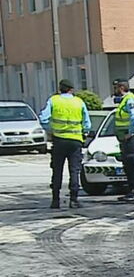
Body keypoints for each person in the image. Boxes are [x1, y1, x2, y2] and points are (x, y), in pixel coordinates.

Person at [39, 79, 91, 209]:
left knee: (57, 170)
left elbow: (43, 118)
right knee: (74, 171)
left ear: (60, 88)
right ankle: (74, 199)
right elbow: (87, 123)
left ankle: (55, 200)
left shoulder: (54, 100)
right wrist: (84, 133)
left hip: (59, 140)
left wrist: (50, 130)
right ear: (71, 89)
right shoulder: (79, 102)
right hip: (75, 140)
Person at [111, 79, 134, 203]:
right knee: (128, 165)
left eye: (115, 87)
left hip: (131, 137)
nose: (114, 90)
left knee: (133, 163)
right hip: (125, 138)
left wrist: (130, 133)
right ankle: (131, 191)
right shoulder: (125, 100)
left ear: (121, 87)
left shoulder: (130, 99)